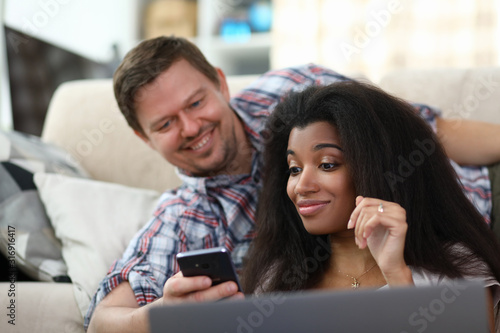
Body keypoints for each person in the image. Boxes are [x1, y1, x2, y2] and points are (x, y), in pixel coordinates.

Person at [85, 35, 500, 333]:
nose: (191, 126)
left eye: (195, 103)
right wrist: (160, 318)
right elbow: (103, 322)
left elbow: (427, 130)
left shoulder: (293, 92)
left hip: (474, 206)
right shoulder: (186, 219)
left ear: (221, 82)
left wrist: (398, 274)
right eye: (166, 123)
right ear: (144, 138)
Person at [241, 81, 500, 330]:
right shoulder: (277, 279)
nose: (301, 186)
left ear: (380, 168)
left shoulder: (455, 268)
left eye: (327, 164)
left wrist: (397, 275)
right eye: (294, 169)